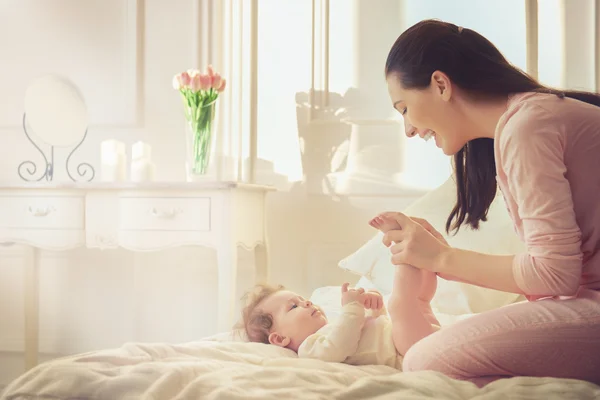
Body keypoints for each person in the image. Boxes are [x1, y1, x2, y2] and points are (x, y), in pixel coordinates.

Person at [382, 19, 600, 386]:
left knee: (424, 360)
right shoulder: (525, 122)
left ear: (440, 84)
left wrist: (439, 258)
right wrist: (438, 256)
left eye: (403, 108)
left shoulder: (528, 126)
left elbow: (554, 275)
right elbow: (556, 278)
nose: (408, 129)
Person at [239, 216, 440, 369]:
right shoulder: (310, 350)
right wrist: (352, 307)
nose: (307, 303)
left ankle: (433, 253)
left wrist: (375, 310)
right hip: (405, 351)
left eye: (303, 300)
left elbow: (370, 333)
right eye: (294, 306)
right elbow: (342, 345)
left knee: (420, 299)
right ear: (279, 338)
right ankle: (407, 250)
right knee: (402, 304)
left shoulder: (332, 328)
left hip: (408, 338)